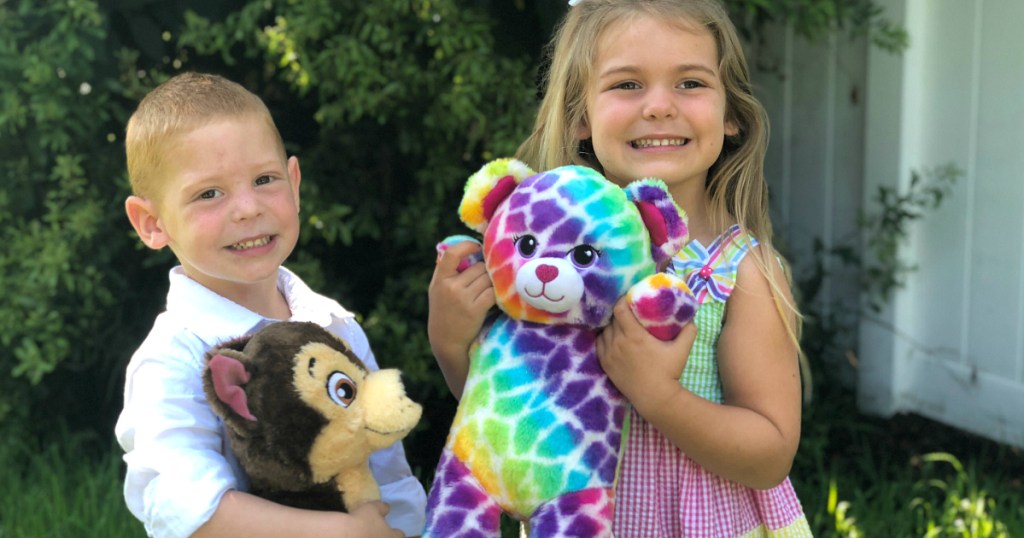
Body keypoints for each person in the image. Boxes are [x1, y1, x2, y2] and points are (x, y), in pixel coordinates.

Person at [428, 0, 812, 535]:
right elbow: (506, 412)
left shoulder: (742, 270)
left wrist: (658, 396)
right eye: (627, 84)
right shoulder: (536, 253)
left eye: (691, 83)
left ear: (732, 116)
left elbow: (770, 454)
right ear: (581, 116)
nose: (658, 106)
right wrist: (450, 343)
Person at [115, 72, 426, 538]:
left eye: (264, 179)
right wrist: (339, 533)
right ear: (152, 223)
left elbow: (390, 476)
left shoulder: (333, 325)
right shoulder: (172, 357)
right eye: (209, 193)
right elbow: (187, 508)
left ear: (295, 184)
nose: (247, 208)